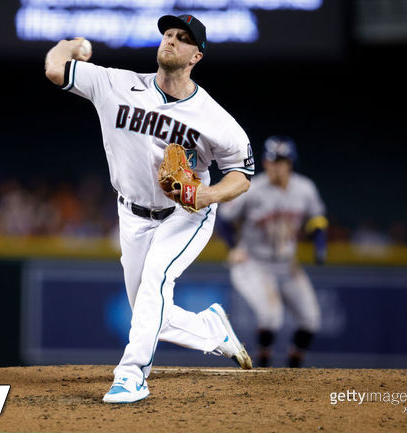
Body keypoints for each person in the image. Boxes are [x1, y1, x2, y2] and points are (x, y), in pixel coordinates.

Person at [44, 14, 255, 403]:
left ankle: (131, 376)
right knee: (149, 311)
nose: (171, 40)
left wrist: (205, 197)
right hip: (131, 213)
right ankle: (212, 330)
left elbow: (240, 176)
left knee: (155, 282)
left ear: (196, 56)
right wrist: (72, 46)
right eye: (168, 34)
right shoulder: (116, 83)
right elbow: (55, 69)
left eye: (183, 38)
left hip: (186, 213)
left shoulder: (214, 119)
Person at [218, 136, 327, 368]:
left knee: (311, 320)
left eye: (282, 161)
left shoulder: (305, 189)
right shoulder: (252, 189)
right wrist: (233, 247)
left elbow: (317, 219)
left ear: (290, 163)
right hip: (255, 262)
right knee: (271, 316)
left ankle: (293, 371)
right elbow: (224, 218)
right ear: (265, 163)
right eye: (272, 161)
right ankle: (264, 371)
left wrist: (320, 245)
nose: (276, 166)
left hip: (287, 264)